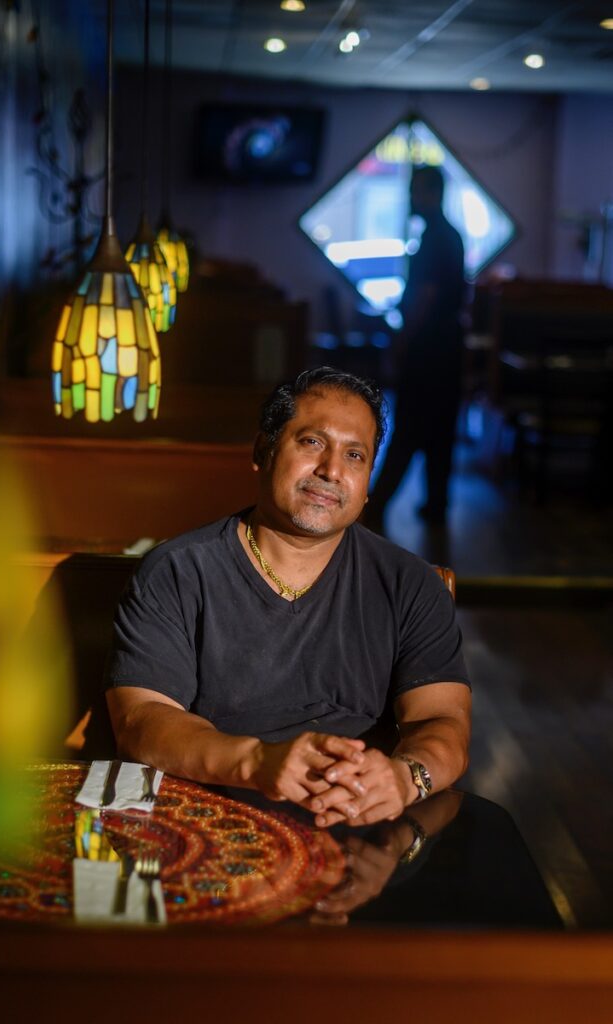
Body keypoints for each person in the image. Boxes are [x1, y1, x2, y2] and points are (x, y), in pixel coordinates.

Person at [106, 367, 471, 829]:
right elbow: (141, 722)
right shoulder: (178, 571)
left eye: (355, 455)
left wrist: (404, 778)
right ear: (263, 450)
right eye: (312, 442)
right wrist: (259, 763)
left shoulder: (410, 583)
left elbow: (442, 720)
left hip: (359, 820)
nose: (331, 471)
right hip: (208, 819)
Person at [367, 164, 465, 528]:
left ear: (435, 194)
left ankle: (376, 506)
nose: (412, 198)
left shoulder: (436, 238)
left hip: (430, 347)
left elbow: (426, 295)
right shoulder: (447, 235)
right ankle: (435, 505)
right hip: (445, 345)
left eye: (418, 190)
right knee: (439, 430)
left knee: (409, 426)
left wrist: (402, 340)